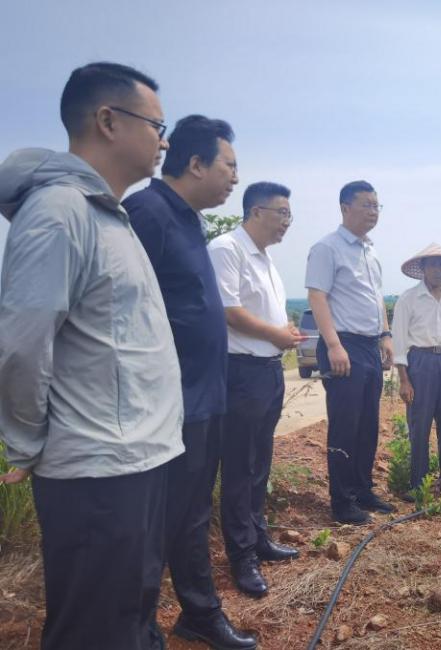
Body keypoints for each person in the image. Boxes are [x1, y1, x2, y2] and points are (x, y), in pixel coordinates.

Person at [0, 62, 183, 650]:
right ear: (108, 120)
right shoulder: (59, 212)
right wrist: (27, 441)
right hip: (96, 471)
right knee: (95, 631)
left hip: (137, 460)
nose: (164, 141)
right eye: (157, 125)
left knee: (131, 617)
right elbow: (21, 344)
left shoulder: (108, 214)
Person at [123, 116, 256, 649]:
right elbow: (123, 312)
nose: (235, 178)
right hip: (166, 404)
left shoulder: (189, 220)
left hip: (202, 399)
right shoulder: (147, 213)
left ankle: (199, 613)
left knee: (191, 515)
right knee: (155, 524)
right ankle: (136, 630)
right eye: (229, 166)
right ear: (196, 163)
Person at [208, 182, 303, 598]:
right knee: (239, 466)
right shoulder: (226, 249)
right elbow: (228, 311)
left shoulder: (265, 258)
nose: (287, 222)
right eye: (282, 213)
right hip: (241, 372)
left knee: (260, 461)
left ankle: (258, 536)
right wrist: (275, 334)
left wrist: (284, 332)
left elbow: (264, 314)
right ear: (256, 211)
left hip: (268, 370)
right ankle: (241, 556)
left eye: (289, 214)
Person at [305, 180, 396, 525]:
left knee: (368, 424)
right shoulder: (327, 248)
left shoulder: (371, 251)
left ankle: (362, 489)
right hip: (343, 344)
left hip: (370, 345)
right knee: (345, 425)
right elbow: (317, 297)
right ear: (345, 207)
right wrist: (333, 345)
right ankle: (341, 501)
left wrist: (385, 335)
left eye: (377, 206)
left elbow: (377, 297)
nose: (373, 211)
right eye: (366, 205)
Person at [392, 244, 441, 497]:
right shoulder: (409, 298)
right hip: (420, 363)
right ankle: (419, 485)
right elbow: (399, 341)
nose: (438, 269)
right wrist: (404, 379)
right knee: (420, 425)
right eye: (433, 264)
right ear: (423, 268)